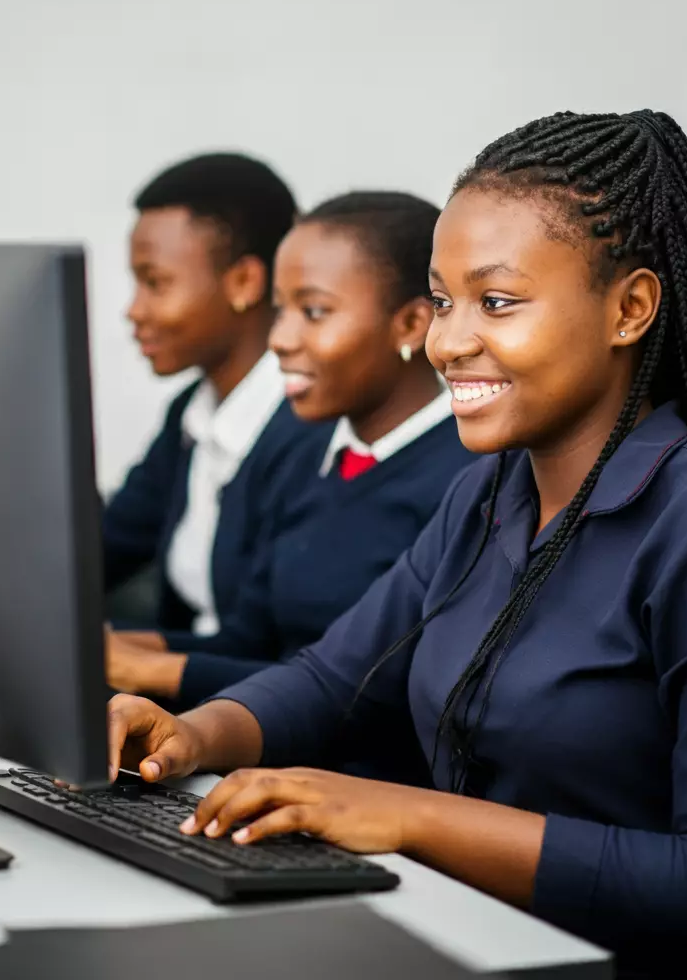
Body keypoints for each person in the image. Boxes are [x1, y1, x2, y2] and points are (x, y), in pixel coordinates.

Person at [101, 111, 687, 974]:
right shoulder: (488, 496)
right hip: (458, 942)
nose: (448, 341)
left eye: (496, 302)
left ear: (631, 309)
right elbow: (331, 678)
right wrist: (191, 735)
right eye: (443, 300)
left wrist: (408, 816)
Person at [107, 193, 477, 733]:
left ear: (411, 324)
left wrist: (154, 669)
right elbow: (246, 639)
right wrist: (115, 647)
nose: (279, 339)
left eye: (314, 311)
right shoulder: (310, 455)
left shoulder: (465, 479)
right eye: (281, 311)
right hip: (261, 744)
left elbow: (366, 690)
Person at [103, 152, 308, 637]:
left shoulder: (309, 430)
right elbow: (106, 546)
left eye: (155, 283)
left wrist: (138, 661)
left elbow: (279, 648)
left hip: (245, 703)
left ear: (244, 282)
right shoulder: (191, 414)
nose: (134, 310)